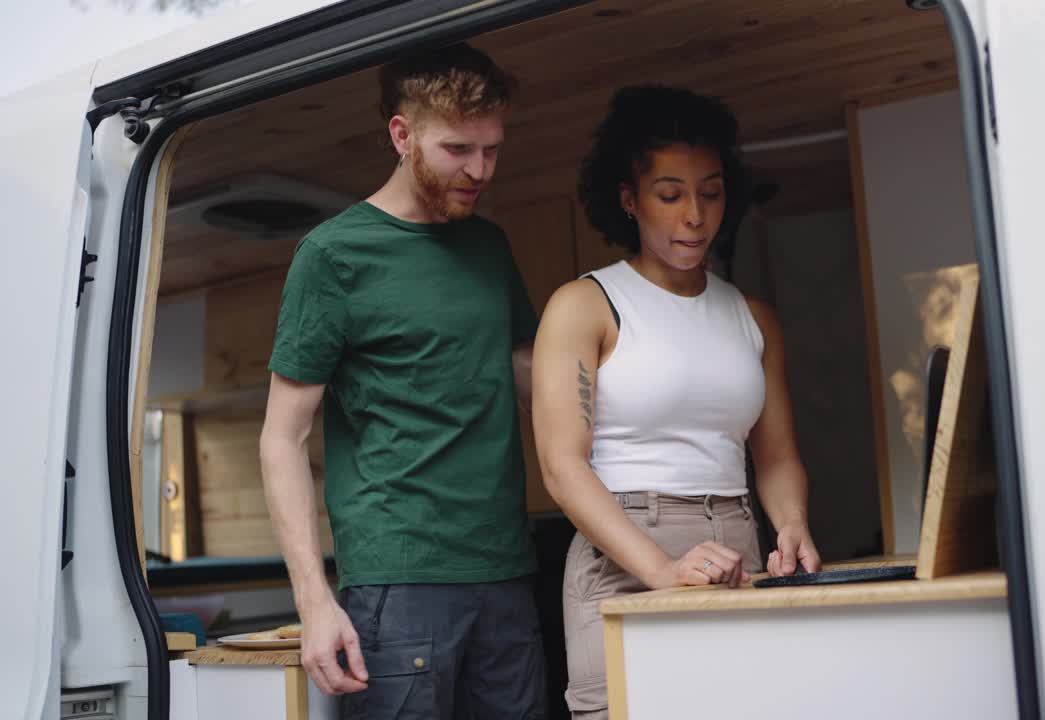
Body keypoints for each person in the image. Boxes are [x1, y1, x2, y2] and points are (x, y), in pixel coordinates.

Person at [260, 44, 545, 719]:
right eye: (457, 149)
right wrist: (314, 599)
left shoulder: (489, 246)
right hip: (399, 587)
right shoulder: (333, 256)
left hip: (508, 573)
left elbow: (535, 382)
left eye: (492, 149)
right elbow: (282, 437)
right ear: (401, 134)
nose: (479, 170)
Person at [531, 85, 823, 718]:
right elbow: (562, 468)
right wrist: (661, 568)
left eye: (711, 192)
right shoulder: (584, 304)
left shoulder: (753, 317)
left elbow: (774, 457)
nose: (695, 214)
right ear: (629, 200)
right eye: (670, 195)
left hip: (737, 547)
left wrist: (792, 523)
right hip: (626, 549)